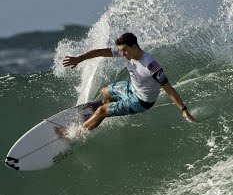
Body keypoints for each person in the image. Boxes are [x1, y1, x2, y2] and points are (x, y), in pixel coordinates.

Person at [62, 32, 197, 130]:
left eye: (125, 50)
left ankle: (76, 133)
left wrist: (184, 110)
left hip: (141, 101)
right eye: (121, 51)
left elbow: (168, 88)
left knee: (101, 110)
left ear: (134, 47)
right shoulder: (126, 52)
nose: (122, 54)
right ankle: (103, 115)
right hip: (132, 88)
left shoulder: (151, 65)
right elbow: (99, 52)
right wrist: (79, 59)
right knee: (105, 92)